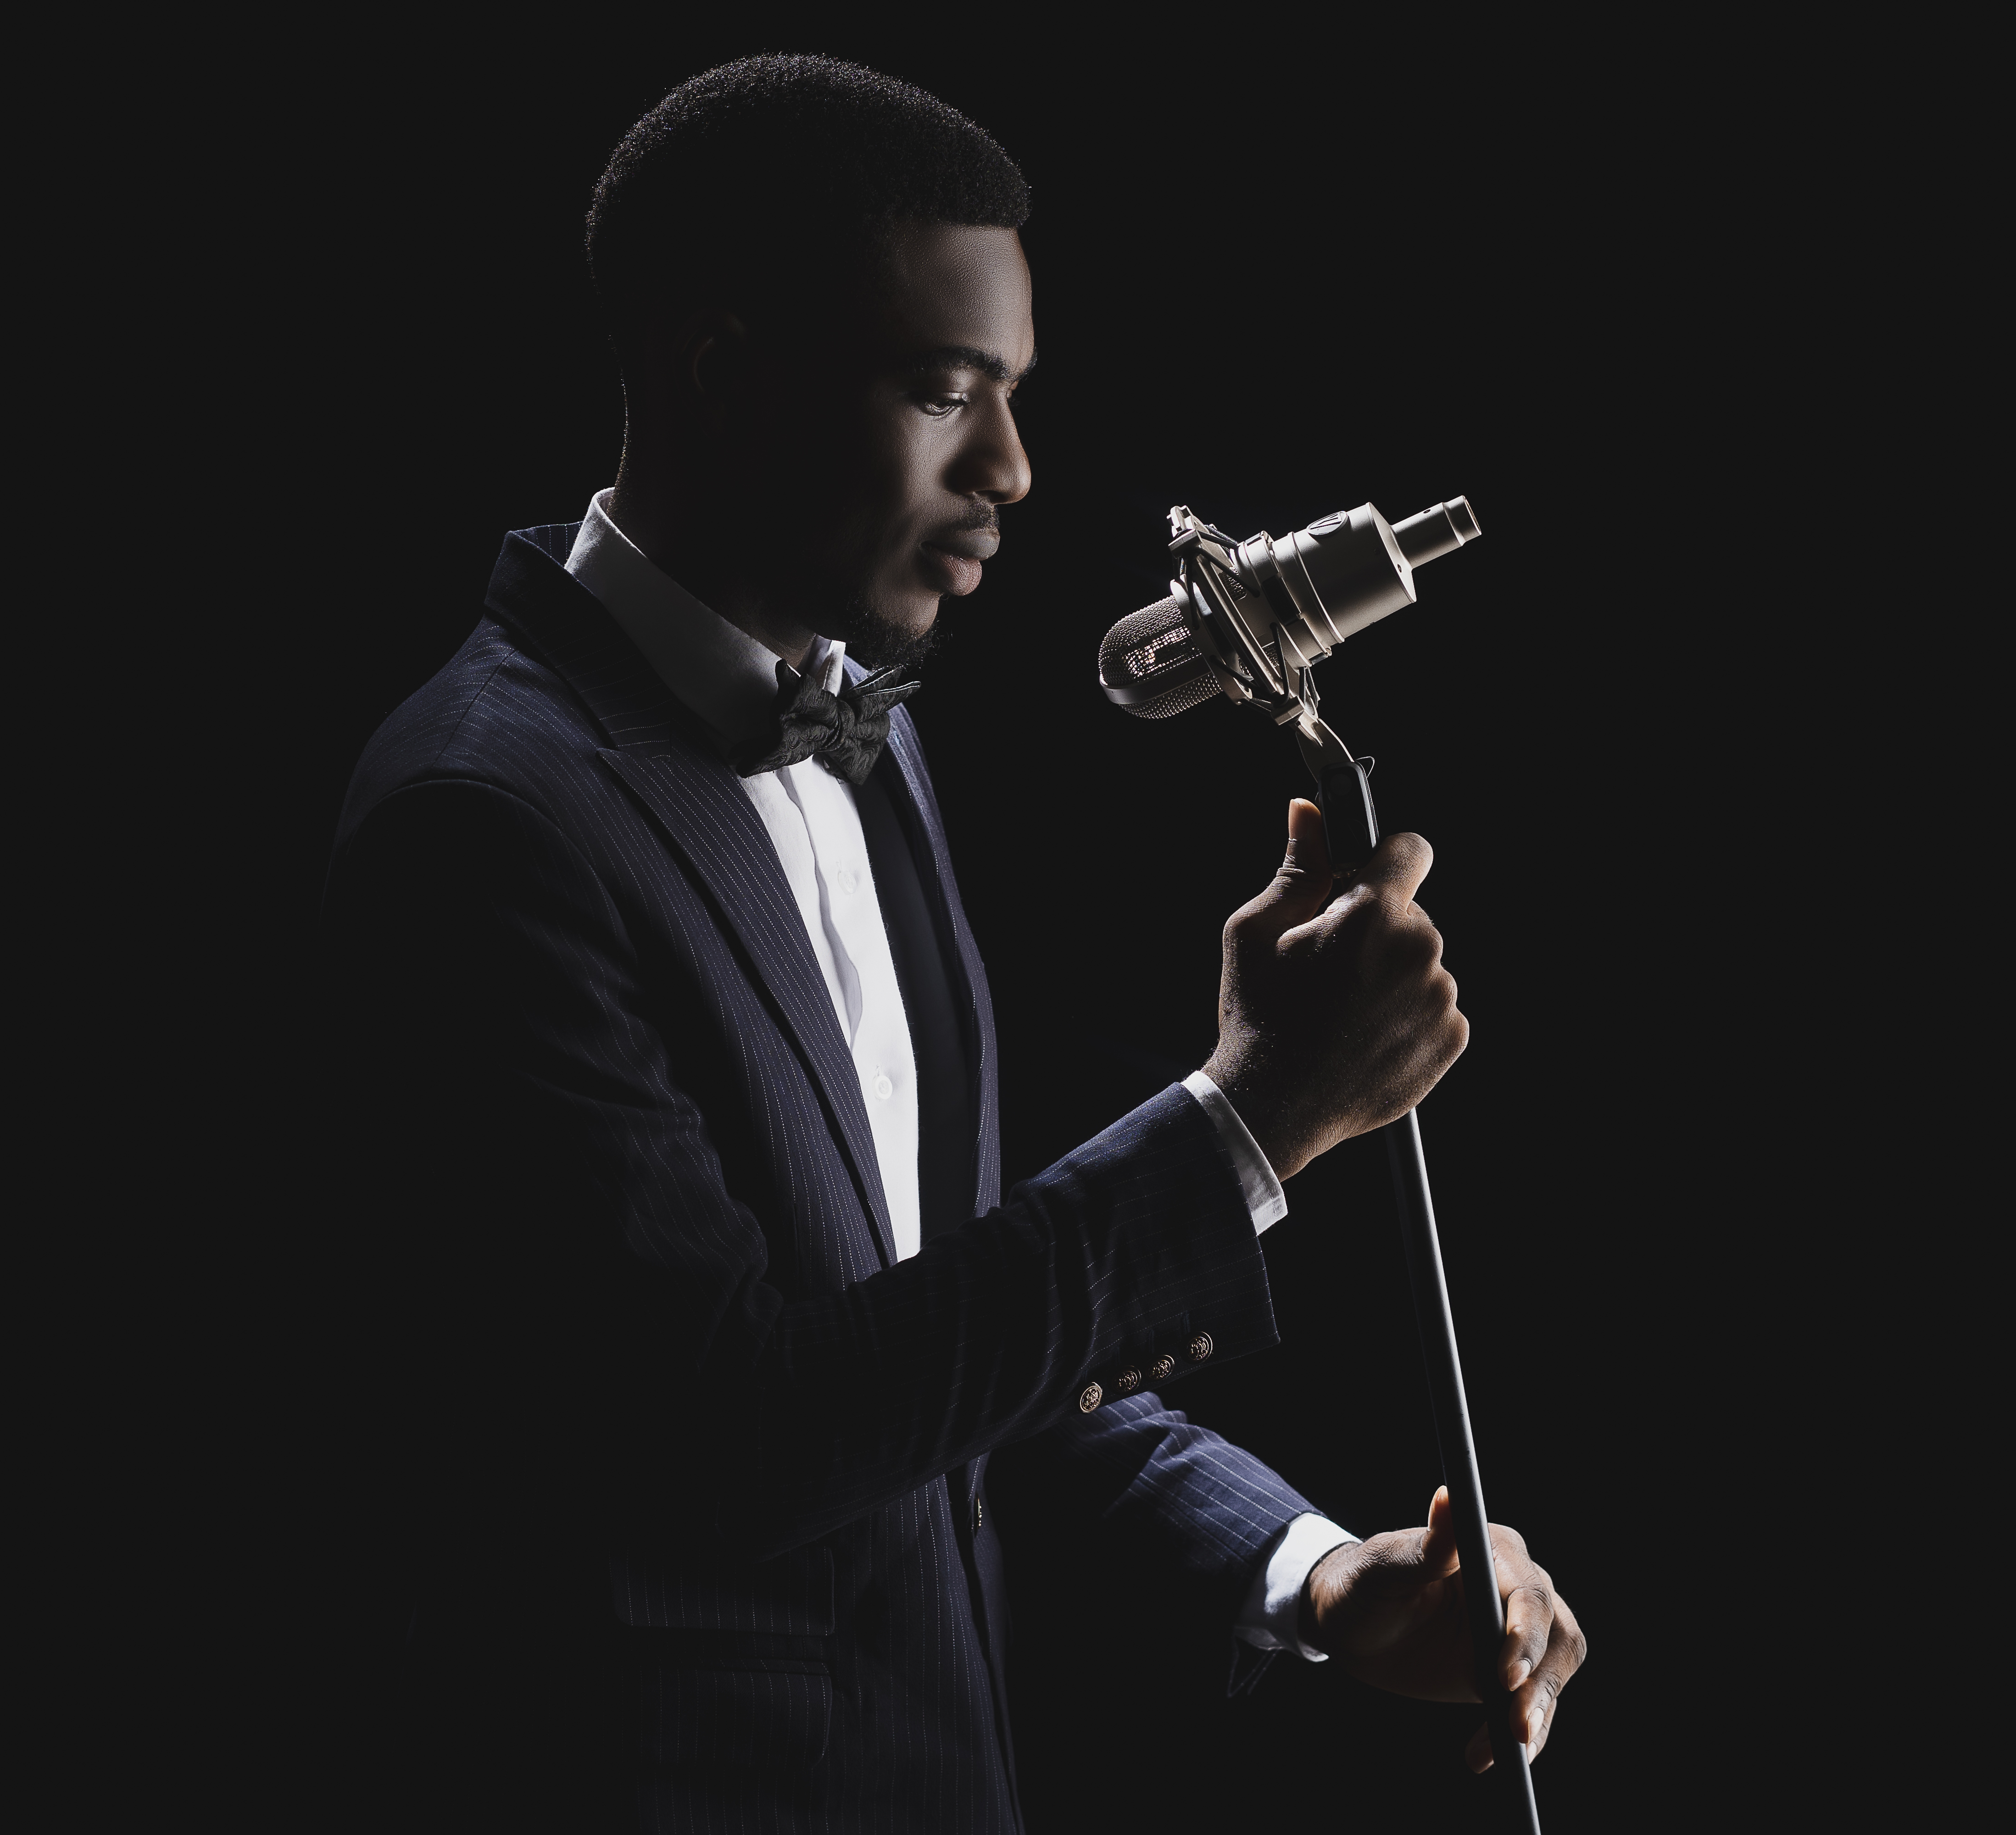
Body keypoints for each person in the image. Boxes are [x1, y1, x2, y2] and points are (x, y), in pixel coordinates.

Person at [325, 55, 1585, 1831]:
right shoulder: (485, 823)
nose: (1012, 467)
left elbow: (945, 1357)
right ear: (719, 369)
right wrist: (1249, 1124)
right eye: (943, 391)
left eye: (1013, 394)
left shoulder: (873, 741)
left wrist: (1308, 1571)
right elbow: (735, 1441)